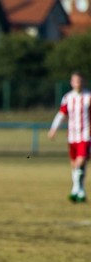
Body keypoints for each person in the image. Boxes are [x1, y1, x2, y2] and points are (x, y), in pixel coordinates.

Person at [48, 71, 91, 203]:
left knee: (81, 161)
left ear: (83, 82)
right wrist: (53, 129)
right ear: (71, 83)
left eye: (79, 80)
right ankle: (81, 191)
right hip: (72, 135)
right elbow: (61, 114)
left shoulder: (89, 96)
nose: (77, 83)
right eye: (75, 81)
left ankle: (75, 189)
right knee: (75, 165)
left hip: (86, 135)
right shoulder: (68, 97)